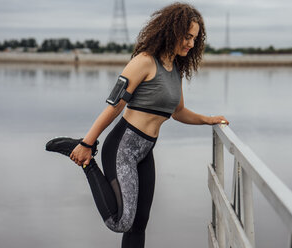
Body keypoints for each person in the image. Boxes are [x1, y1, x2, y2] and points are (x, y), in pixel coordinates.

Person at [46, 2, 229, 248]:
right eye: (187, 37)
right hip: (122, 148)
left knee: (139, 223)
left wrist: (209, 119)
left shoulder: (175, 68)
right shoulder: (144, 61)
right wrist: (87, 143)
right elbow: (114, 106)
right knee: (120, 222)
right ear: (171, 31)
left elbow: (179, 112)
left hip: (144, 151)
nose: (191, 44)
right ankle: (87, 162)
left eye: (195, 39)